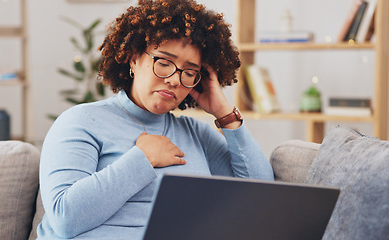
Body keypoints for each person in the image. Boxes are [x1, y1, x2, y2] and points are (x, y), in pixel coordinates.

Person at [37, 0, 274, 239]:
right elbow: (64, 219)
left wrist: (225, 114)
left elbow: (262, 196)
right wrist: (142, 159)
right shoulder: (82, 121)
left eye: (189, 72)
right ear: (134, 58)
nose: (174, 79)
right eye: (163, 62)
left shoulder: (195, 134)